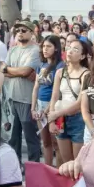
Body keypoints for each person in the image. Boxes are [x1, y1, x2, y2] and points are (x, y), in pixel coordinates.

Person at [2, 21, 42, 163]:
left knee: (31, 137)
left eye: (24, 30)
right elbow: (3, 70)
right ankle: (15, 165)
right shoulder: (13, 50)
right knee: (13, 137)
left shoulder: (36, 50)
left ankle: (34, 167)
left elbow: (26, 71)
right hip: (12, 98)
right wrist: (15, 72)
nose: (20, 32)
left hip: (27, 99)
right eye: (17, 30)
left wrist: (9, 70)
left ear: (32, 33)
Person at [48, 39, 91, 163]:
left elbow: (79, 103)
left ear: (82, 56)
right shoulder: (60, 72)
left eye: (75, 49)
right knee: (66, 160)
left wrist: (56, 114)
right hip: (60, 119)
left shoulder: (86, 74)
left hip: (78, 119)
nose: (70, 51)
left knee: (78, 162)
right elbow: (54, 97)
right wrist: (52, 120)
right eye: (69, 48)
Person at [30, 35, 64, 167]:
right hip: (40, 105)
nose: (45, 49)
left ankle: (59, 171)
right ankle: (47, 169)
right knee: (45, 142)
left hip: (54, 107)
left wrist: (46, 110)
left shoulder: (60, 66)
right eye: (44, 46)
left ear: (56, 48)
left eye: (49, 46)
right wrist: (33, 108)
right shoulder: (41, 65)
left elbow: (58, 93)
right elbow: (36, 87)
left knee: (57, 143)